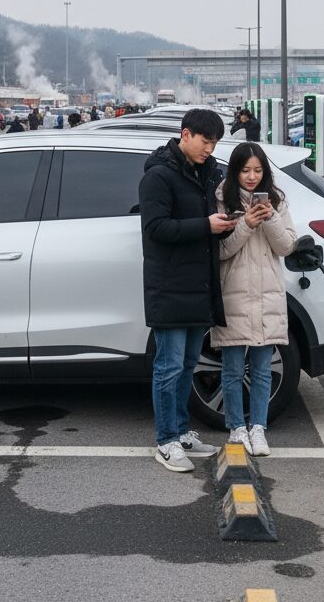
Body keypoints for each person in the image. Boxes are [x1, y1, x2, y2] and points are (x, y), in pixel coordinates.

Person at [139, 108, 237, 473]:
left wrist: (225, 225)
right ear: (185, 134)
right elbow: (156, 228)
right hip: (170, 284)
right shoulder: (159, 176)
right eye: (204, 141)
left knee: (187, 366)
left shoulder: (209, 173)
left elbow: (207, 224)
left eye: (214, 143)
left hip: (200, 284)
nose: (209, 149)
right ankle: (165, 441)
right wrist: (206, 226)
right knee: (168, 367)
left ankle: (180, 432)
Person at [214, 142, 297, 456]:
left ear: (265, 172)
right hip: (233, 292)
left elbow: (286, 246)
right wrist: (246, 224)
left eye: (257, 170)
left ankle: (258, 427)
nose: (251, 176)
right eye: (245, 170)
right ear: (235, 171)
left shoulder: (276, 200)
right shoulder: (222, 198)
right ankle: (237, 427)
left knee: (262, 368)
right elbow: (221, 250)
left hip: (267, 294)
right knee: (233, 368)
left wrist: (270, 217)